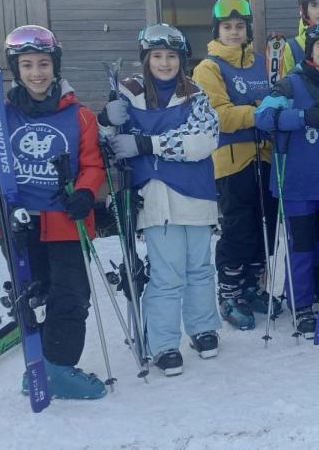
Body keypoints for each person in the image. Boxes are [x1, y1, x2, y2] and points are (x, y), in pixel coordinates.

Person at [0, 25, 106, 399]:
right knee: (34, 293)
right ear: (16, 70)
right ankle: (39, 366)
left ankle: (58, 367)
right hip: (17, 220)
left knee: (70, 296)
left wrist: (87, 193)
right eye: (27, 65)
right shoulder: (0, 114)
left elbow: (92, 165)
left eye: (43, 63)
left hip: (64, 221)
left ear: (55, 66)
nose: (36, 72)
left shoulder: (80, 116)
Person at [99, 24, 221, 376]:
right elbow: (108, 143)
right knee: (167, 274)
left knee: (199, 267)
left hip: (196, 193)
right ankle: (165, 344)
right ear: (146, 59)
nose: (165, 63)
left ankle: (202, 329)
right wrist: (105, 120)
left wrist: (148, 143)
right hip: (154, 196)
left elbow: (203, 140)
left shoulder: (195, 94)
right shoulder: (128, 93)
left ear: (181, 60)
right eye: (157, 56)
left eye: (171, 56)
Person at [254, 20, 319, 337]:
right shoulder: (290, 84)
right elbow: (262, 118)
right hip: (298, 184)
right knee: (302, 249)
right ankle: (301, 305)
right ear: (311, 49)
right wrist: (299, 118)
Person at [192, 0, 278, 331]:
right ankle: (229, 294)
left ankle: (253, 288)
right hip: (231, 163)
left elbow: (276, 99)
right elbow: (220, 116)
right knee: (238, 231)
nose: (233, 32)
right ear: (217, 30)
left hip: (265, 157)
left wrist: (265, 109)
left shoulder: (261, 62)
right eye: (227, 27)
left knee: (264, 228)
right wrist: (260, 111)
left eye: (239, 26)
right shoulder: (209, 68)